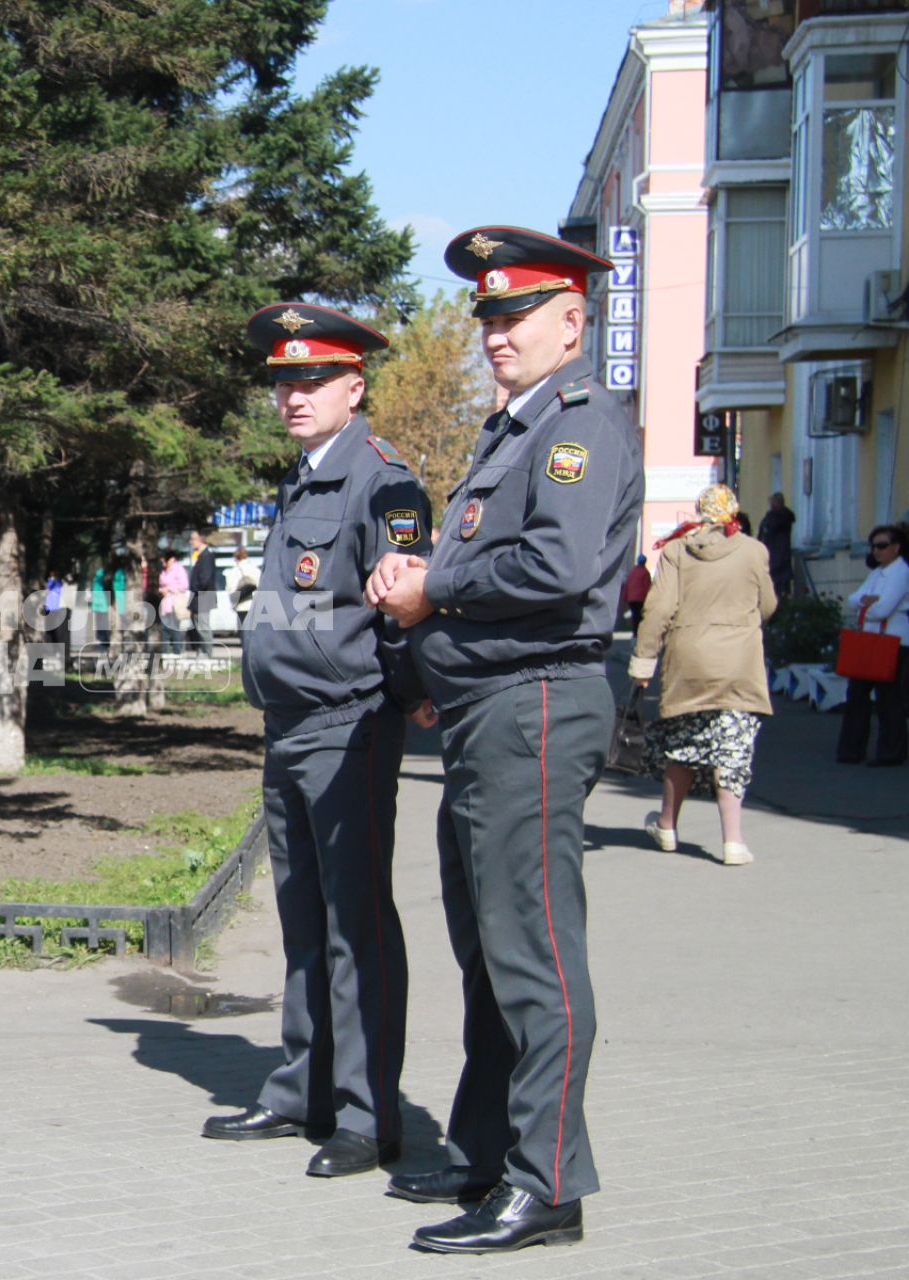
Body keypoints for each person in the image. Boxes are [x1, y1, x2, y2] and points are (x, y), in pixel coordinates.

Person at [364, 226, 644, 1253]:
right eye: (486, 316)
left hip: (535, 705)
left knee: (534, 951)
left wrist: (433, 585)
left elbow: (562, 569)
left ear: (572, 319)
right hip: (489, 708)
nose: (493, 334)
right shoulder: (511, 430)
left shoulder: (578, 424)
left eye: (514, 314)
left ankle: (549, 1181)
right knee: (487, 944)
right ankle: (490, 1148)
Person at [201, 302, 429, 1182]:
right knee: (303, 922)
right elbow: (312, 602)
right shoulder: (304, 477)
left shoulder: (385, 483)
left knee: (356, 927)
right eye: (283, 381)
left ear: (353, 385)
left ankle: (369, 1116)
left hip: (348, 728)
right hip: (289, 725)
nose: (293, 395)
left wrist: (406, 695)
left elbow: (405, 603)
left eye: (311, 379)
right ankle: (303, 1087)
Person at [629, 485, 778, 867]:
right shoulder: (753, 550)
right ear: (733, 512)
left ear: (699, 511)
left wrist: (643, 663)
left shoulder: (678, 551)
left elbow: (659, 610)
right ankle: (733, 842)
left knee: (683, 744)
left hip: (688, 662)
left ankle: (666, 826)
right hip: (740, 664)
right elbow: (768, 605)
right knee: (732, 748)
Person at [836, 524, 909, 766]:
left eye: (882, 546)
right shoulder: (877, 573)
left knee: (888, 698)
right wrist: (868, 602)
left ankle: (891, 752)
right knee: (856, 694)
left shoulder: (901, 572)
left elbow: (883, 608)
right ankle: (851, 750)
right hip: (870, 639)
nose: (877, 551)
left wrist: (866, 604)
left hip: (893, 641)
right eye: (874, 546)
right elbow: (854, 598)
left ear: (896, 547)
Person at [187, 528, 220, 654]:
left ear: (201, 540)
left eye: (193, 539)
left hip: (204, 597)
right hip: (198, 597)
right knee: (197, 626)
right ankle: (201, 651)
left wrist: (195, 587)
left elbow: (205, 579)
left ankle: (207, 652)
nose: (191, 542)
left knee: (203, 627)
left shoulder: (206, 556)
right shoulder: (200, 556)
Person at [760, 493, 795, 597]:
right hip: (773, 554)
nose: (770, 505)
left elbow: (770, 528)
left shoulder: (781, 517)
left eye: (772, 502)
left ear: (778, 503)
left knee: (780, 585)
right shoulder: (773, 516)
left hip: (779, 555)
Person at [158, 550, 189, 653]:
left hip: (174, 603)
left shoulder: (178, 570)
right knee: (164, 629)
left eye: (164, 559)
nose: (162, 561)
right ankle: (165, 651)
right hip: (165, 603)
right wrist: (161, 590)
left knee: (174, 628)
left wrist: (169, 589)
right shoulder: (164, 570)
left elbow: (184, 585)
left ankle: (177, 651)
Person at [619, 554, 651, 632]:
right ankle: (639, 632)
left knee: (634, 615)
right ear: (644, 562)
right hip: (641, 599)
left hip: (631, 599)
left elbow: (627, 585)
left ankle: (635, 632)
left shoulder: (632, 572)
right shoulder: (645, 572)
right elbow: (648, 586)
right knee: (640, 616)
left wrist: (625, 597)